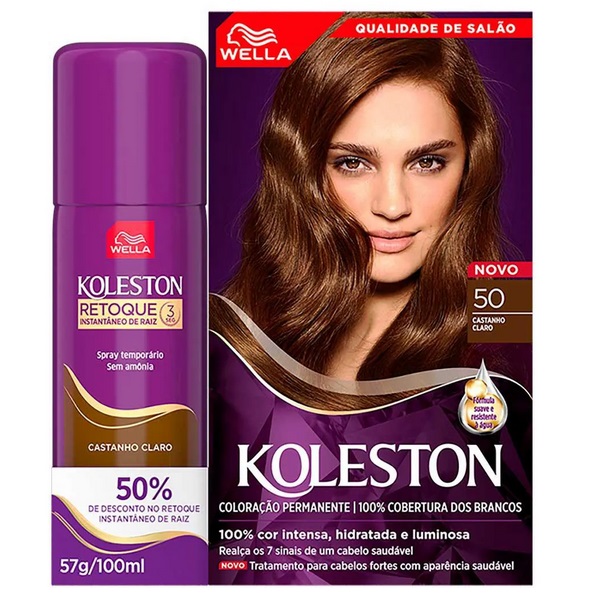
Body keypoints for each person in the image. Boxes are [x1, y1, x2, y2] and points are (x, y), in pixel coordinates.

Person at [210, 12, 506, 409]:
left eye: (427, 162)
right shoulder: (220, 345)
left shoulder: (518, 343)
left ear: (470, 167)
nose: (392, 206)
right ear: (303, 170)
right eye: (353, 163)